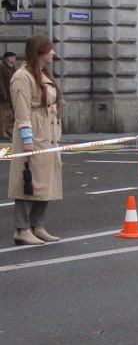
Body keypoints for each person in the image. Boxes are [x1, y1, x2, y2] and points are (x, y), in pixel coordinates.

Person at [9, 36, 63, 245]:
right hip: (34, 135)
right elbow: (22, 111)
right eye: (50, 50)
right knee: (27, 182)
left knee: (46, 182)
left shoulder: (42, 74)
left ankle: (37, 225)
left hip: (48, 136)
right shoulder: (23, 77)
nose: (53, 53)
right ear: (39, 52)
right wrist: (27, 140)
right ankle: (22, 229)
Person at [0, 50, 16, 140]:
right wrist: (3, 93)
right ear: (8, 58)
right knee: (4, 115)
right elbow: (1, 81)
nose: (14, 59)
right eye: (13, 57)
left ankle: (9, 130)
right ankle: (2, 133)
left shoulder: (12, 67)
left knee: (13, 114)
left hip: (12, 94)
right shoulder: (2, 67)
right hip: (4, 96)